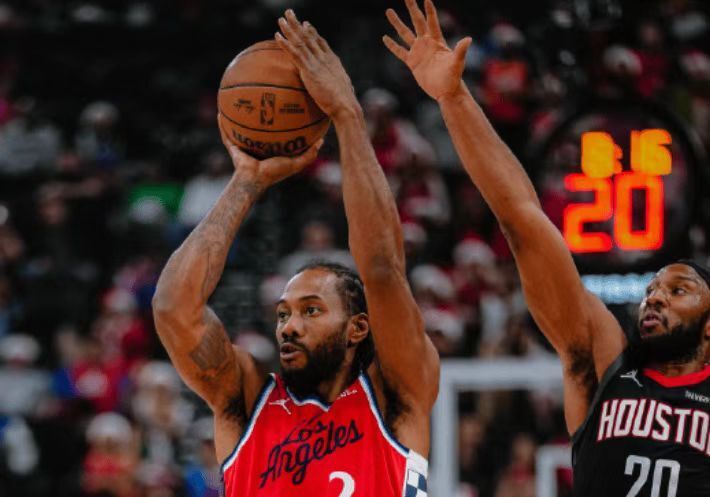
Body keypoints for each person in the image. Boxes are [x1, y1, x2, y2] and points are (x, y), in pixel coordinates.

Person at [383, 0, 709, 495]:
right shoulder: (606, 365)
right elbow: (522, 219)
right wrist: (454, 99)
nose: (655, 297)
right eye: (654, 290)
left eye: (678, 289)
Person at [152, 10, 438, 497]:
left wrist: (347, 115)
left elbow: (382, 269)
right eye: (283, 313)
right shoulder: (246, 402)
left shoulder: (395, 394)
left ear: (357, 328)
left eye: (311, 310)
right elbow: (172, 308)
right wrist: (246, 182)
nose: (289, 326)